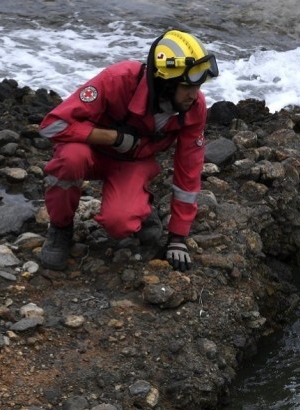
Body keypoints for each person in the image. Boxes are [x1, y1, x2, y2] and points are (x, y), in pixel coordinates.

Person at [37, 30, 219, 272]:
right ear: (165, 82)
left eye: (198, 86)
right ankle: (60, 228)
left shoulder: (194, 107)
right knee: (71, 157)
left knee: (119, 224)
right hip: (90, 154)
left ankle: (142, 209)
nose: (195, 95)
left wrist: (178, 236)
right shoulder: (118, 79)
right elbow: (52, 126)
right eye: (187, 87)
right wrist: (113, 137)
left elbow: (189, 169)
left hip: (132, 165)